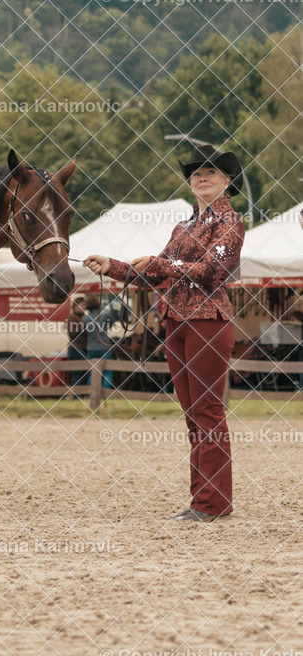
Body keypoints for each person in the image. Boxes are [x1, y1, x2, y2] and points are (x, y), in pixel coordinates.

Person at [84, 144, 246, 523]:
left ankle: (212, 503)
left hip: (208, 321)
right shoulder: (184, 226)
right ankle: (204, 500)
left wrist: (161, 262)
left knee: (207, 412)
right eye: (196, 173)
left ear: (228, 181)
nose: (201, 177)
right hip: (175, 322)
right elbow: (155, 274)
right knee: (193, 415)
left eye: (211, 172)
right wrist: (113, 266)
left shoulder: (231, 221)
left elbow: (209, 271)